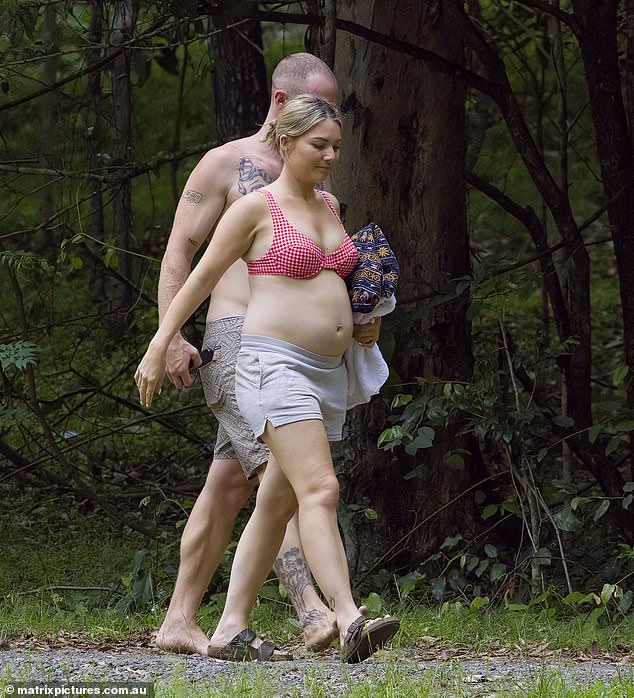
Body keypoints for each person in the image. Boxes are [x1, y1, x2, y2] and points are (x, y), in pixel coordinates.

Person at [135, 94, 399, 663]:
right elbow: (199, 278)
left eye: (335, 146)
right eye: (318, 145)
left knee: (274, 503)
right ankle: (350, 616)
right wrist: (162, 343)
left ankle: (229, 627)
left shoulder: (328, 204)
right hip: (270, 365)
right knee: (320, 490)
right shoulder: (254, 209)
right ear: (286, 141)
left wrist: (362, 321)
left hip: (329, 372)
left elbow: (336, 283)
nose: (331, 156)